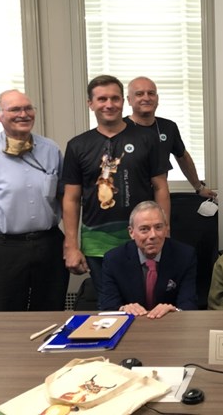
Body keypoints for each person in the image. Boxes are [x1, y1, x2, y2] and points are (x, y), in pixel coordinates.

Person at [62, 75, 170, 299]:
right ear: (90, 103)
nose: (109, 104)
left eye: (114, 98)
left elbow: (160, 188)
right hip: (97, 242)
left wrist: (164, 232)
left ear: (124, 101)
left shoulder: (147, 140)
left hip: (143, 237)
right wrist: (71, 245)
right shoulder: (77, 146)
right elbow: (71, 199)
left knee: (148, 300)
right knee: (110, 305)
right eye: (102, 99)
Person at [0, 90, 68, 311]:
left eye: (28, 108)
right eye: (15, 109)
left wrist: (71, 242)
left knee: (50, 314)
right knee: (3, 316)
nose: (23, 114)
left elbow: (66, 196)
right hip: (2, 248)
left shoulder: (51, 150)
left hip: (48, 244)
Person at [99, 201, 197, 318]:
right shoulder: (114, 260)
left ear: (166, 228)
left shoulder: (185, 256)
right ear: (131, 232)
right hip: (130, 327)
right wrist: (123, 309)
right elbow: (107, 305)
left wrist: (175, 310)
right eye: (144, 229)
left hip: (170, 326)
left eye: (158, 227)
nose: (153, 235)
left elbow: (189, 305)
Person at [125, 76, 216, 198]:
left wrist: (199, 187)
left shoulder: (168, 127)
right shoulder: (120, 128)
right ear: (129, 100)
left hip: (159, 197)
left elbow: (183, 157)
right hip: (128, 198)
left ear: (157, 99)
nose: (146, 98)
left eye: (151, 93)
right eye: (139, 94)